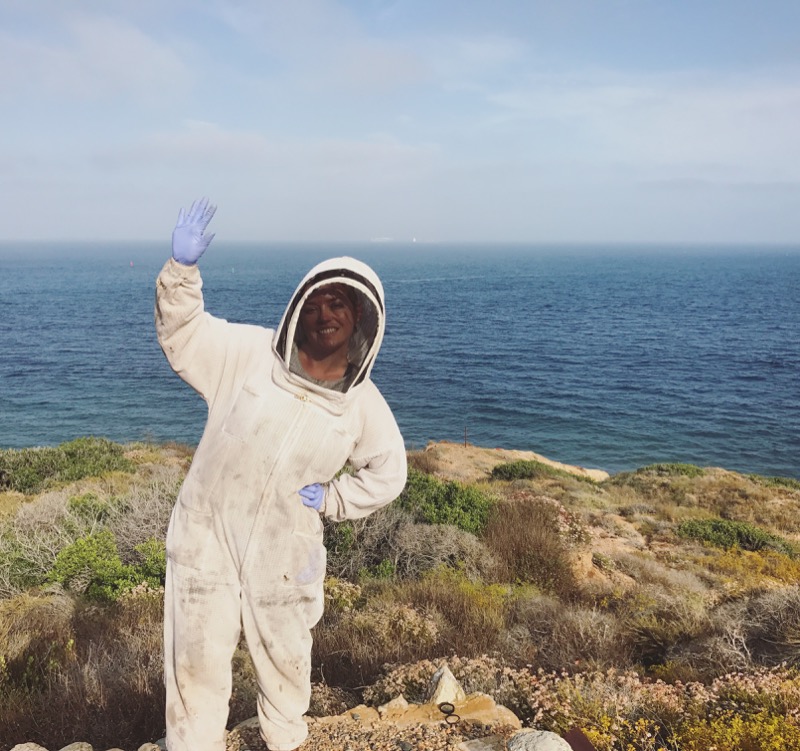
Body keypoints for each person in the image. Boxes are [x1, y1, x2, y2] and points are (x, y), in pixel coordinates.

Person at [155, 198, 407, 751]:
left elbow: (389, 471)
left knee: (287, 678)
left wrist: (336, 499)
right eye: (316, 300)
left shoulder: (361, 403)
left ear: (361, 319)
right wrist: (182, 271)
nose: (325, 313)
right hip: (205, 543)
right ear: (299, 306)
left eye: (340, 303)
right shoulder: (248, 355)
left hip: (285, 559)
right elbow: (186, 337)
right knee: (194, 678)